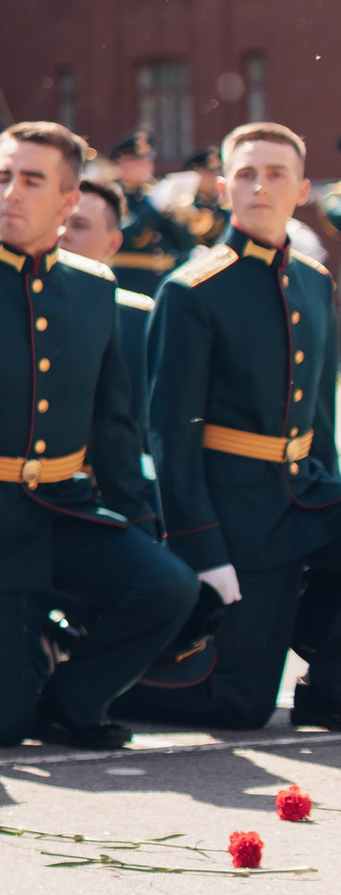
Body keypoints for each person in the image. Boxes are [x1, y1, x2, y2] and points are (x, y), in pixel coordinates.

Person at [0, 123, 198, 748]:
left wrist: (137, 524)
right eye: (2, 177)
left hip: (61, 513)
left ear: (69, 201)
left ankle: (68, 702)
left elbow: (113, 425)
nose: (9, 193)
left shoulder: (94, 288)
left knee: (168, 586)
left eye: (31, 180)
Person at [116, 124, 341, 730]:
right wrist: (202, 549)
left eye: (276, 174)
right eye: (246, 173)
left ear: (301, 191)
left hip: (302, 494)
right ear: (223, 187)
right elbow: (170, 436)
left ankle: (331, 686)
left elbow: (320, 416)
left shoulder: (316, 285)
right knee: (238, 705)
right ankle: (93, 679)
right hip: (238, 515)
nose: (260, 186)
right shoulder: (192, 291)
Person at [61, 175, 156, 382]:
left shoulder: (138, 319)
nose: (63, 233)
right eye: (59, 222)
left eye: (79, 225)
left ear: (114, 243)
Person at [108, 130, 189, 297]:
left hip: (162, 281)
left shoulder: (152, 194)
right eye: (137, 160)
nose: (145, 165)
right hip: (128, 280)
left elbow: (181, 243)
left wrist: (177, 214)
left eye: (148, 159)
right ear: (120, 163)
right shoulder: (112, 196)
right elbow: (125, 236)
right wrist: (154, 208)